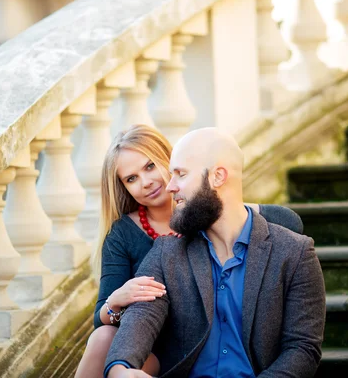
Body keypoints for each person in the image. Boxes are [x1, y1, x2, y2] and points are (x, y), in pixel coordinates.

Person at [75, 125, 306, 378]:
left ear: (171, 160)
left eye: (150, 166)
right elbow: (104, 323)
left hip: (208, 336)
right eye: (131, 179)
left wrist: (236, 208)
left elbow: (288, 224)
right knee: (103, 338)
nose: (146, 182)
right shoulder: (124, 234)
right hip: (152, 343)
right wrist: (116, 300)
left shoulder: (209, 212)